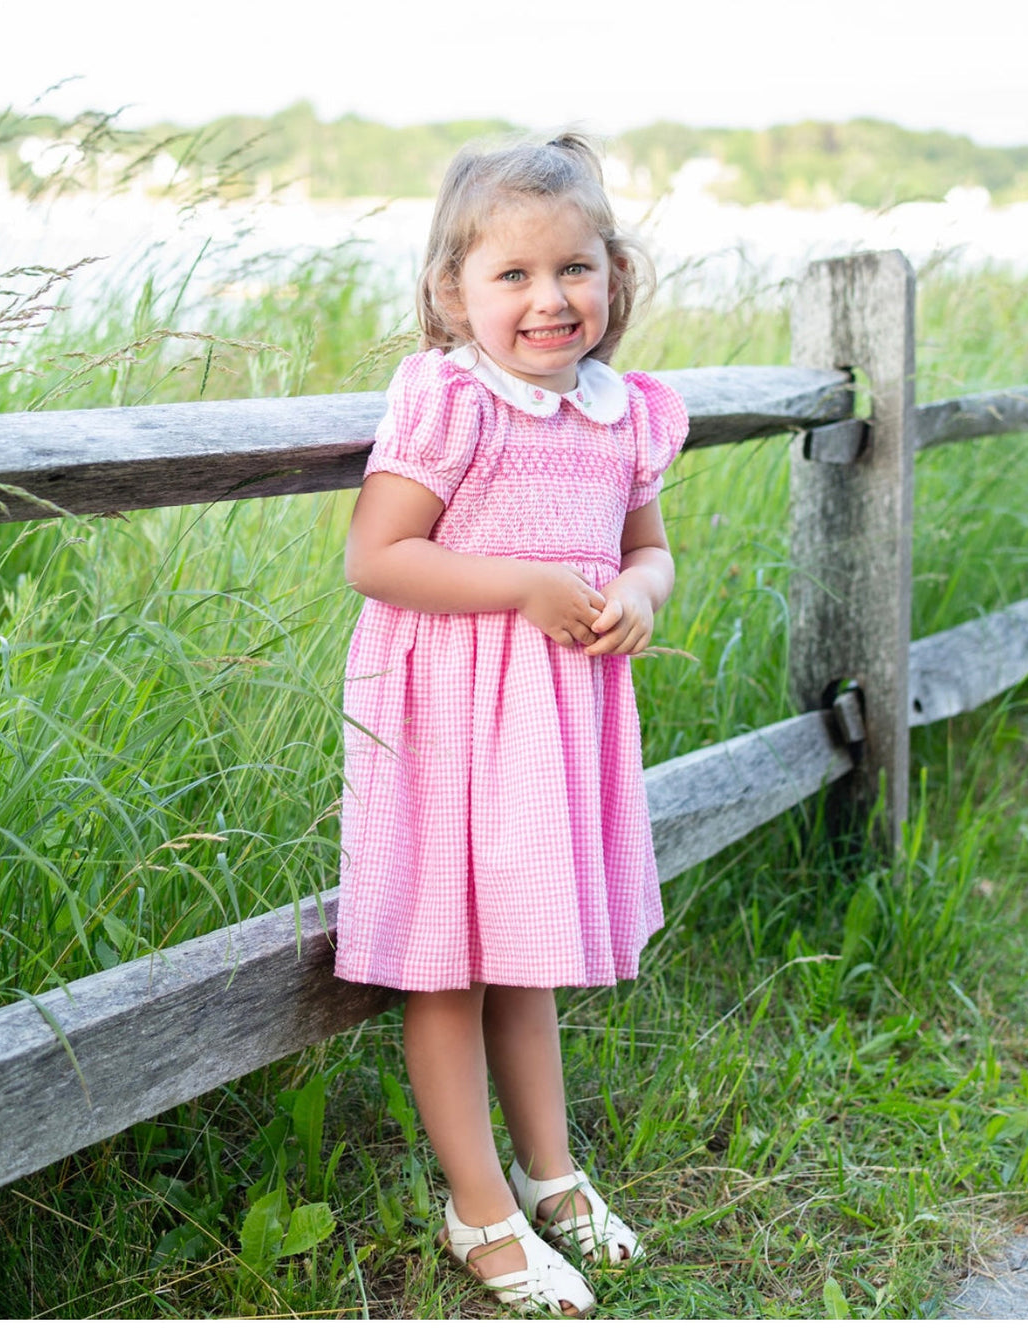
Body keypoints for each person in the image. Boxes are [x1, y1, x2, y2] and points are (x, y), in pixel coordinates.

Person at [336, 131, 689, 1317]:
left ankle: (553, 1175)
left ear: (613, 276)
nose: (550, 299)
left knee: (523, 949)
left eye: (575, 270)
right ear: (453, 292)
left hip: (556, 718)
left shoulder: (621, 414)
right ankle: (476, 1205)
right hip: (448, 715)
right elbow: (379, 557)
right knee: (448, 961)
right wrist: (523, 584)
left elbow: (646, 547)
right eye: (513, 276)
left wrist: (638, 593)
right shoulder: (449, 400)